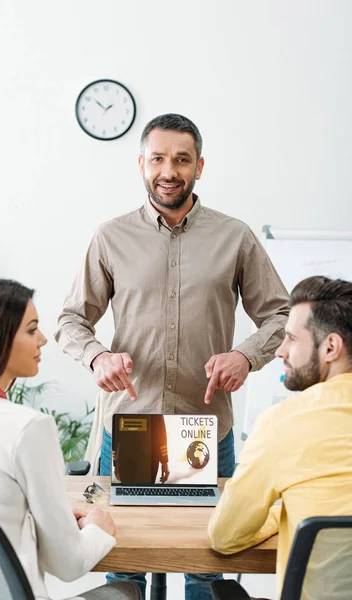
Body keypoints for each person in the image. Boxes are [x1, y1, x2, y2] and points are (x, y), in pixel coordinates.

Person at [55, 113, 289, 600]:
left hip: (207, 426)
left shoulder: (236, 237)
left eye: (181, 159)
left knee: (207, 564)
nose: (169, 170)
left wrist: (246, 356)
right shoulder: (110, 237)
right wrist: (98, 357)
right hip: (130, 428)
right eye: (158, 158)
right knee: (123, 564)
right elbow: (71, 320)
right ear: (141, 164)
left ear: (199, 166)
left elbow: (281, 316)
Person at [0, 279, 140, 600]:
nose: (42, 340)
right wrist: (97, 527)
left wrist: (49, 512)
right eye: (31, 330)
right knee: (127, 590)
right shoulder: (27, 427)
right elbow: (68, 565)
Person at [208, 276, 352, 598]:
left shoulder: (283, 424)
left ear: (330, 347)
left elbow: (225, 536)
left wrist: (280, 513)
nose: (279, 352)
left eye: (290, 339)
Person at [112, 414, 169, 484]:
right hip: (148, 459)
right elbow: (160, 431)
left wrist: (115, 462)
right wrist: (164, 462)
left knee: (129, 492)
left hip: (126, 456)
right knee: (145, 492)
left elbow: (115, 433)